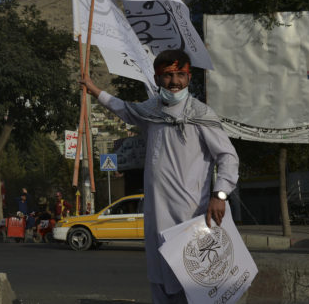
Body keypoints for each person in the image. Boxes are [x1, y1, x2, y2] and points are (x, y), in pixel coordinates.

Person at [80, 49, 239, 304]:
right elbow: (125, 109)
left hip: (191, 216)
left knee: (194, 285)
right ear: (156, 79)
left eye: (180, 74)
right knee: (160, 280)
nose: (174, 81)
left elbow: (228, 157)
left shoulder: (201, 114)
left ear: (188, 77)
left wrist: (220, 194)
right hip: (155, 216)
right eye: (167, 75)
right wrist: (94, 89)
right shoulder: (151, 112)